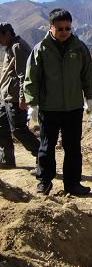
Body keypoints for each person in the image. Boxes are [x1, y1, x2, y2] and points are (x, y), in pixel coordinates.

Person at [24, 9, 92, 196]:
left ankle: (72, 184)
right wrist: (33, 104)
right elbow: (31, 78)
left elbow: (87, 74)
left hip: (73, 107)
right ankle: (44, 181)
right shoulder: (41, 49)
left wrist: (89, 97)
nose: (64, 32)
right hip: (49, 107)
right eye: (60, 28)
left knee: (73, 148)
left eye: (68, 28)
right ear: (51, 27)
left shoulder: (79, 48)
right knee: (47, 146)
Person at [0, 22, 40, 168]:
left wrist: (24, 97)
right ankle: (7, 159)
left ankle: (42, 156)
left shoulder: (18, 47)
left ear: (6, 33)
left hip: (16, 97)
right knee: (1, 125)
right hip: (8, 96)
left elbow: (25, 75)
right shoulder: (10, 47)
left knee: (18, 130)